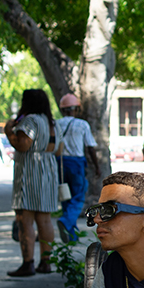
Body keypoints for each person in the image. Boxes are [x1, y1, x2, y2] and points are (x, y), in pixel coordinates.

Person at [4, 88, 60, 278]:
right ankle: (46, 262)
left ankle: (27, 263)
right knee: (44, 219)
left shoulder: (30, 121)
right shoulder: (53, 124)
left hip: (29, 172)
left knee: (24, 218)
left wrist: (8, 132)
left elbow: (22, 144)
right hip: (48, 171)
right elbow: (58, 150)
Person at [55, 92, 101, 240]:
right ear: (76, 109)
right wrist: (97, 166)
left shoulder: (56, 124)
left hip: (60, 163)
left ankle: (71, 234)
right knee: (78, 196)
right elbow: (91, 147)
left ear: (62, 109)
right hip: (76, 163)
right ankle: (66, 221)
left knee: (66, 196)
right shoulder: (82, 124)